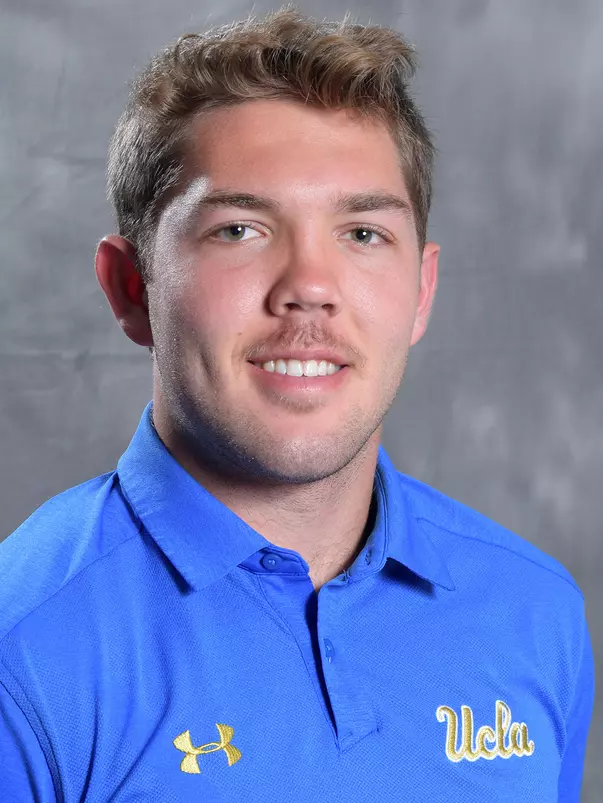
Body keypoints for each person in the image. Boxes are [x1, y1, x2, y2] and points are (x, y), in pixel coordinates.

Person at [0, 7, 594, 801]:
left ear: (420, 292)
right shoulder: (25, 650)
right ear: (131, 288)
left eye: (361, 234)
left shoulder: (534, 609)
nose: (309, 287)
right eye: (240, 229)